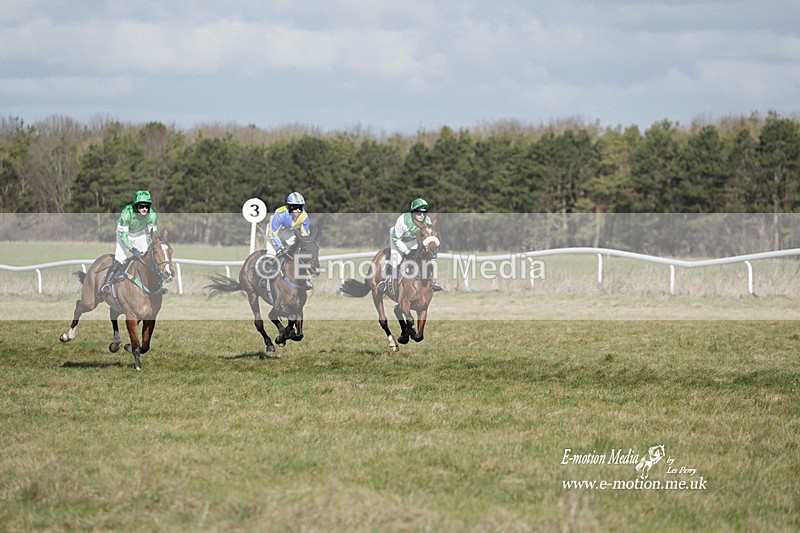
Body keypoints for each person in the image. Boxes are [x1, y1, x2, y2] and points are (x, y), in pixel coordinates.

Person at [377, 198, 443, 294]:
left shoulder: (427, 221)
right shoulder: (403, 220)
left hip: (413, 241)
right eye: (418, 212)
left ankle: (432, 281)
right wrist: (406, 251)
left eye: (424, 212)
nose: (421, 215)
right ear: (412, 212)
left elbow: (427, 237)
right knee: (396, 260)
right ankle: (384, 282)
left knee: (428, 258)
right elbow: (396, 239)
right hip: (398, 240)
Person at [101, 190, 159, 293]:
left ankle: (156, 284)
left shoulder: (152, 215)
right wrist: (132, 249)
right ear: (136, 205)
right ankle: (107, 284)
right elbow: (123, 235)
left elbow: (152, 235)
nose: (144, 209)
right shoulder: (127, 212)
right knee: (121, 258)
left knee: (147, 257)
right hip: (124, 233)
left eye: (147, 206)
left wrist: (152, 246)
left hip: (139, 232)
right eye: (141, 206)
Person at [267, 191, 313, 289]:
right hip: (273, 231)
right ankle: (265, 280)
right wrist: (280, 248)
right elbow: (273, 234)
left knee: (297, 250)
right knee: (271, 252)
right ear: (289, 207)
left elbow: (305, 235)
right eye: (295, 207)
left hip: (289, 231)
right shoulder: (280, 214)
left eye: (300, 207)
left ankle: (305, 279)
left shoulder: (304, 216)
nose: (297, 210)